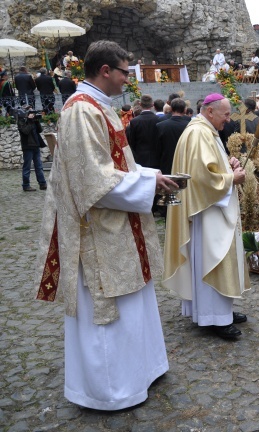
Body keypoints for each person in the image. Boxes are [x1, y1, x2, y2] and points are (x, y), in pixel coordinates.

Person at [33, 39, 177, 410]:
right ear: (105, 71)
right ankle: (112, 390)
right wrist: (147, 184)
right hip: (98, 232)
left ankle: (142, 369)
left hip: (119, 223)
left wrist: (151, 174)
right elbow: (92, 181)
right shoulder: (81, 111)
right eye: (125, 72)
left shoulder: (101, 107)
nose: (129, 80)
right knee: (109, 311)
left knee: (135, 303)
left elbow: (119, 166)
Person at [163, 93, 250, 339]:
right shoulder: (200, 133)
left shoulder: (204, 130)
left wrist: (228, 164)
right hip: (208, 210)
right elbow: (203, 177)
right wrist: (233, 178)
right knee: (215, 259)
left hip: (211, 207)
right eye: (225, 114)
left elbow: (210, 167)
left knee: (220, 259)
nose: (228, 119)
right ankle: (215, 318)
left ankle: (222, 312)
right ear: (210, 111)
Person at [15, 105, 47, 191]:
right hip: (28, 146)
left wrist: (36, 121)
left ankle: (42, 183)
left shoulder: (31, 121)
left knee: (39, 166)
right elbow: (25, 131)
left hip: (36, 146)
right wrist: (29, 121)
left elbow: (40, 130)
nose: (31, 114)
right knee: (27, 167)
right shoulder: (21, 122)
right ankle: (26, 185)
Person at [126, 94, 163, 169]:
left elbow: (132, 141)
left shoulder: (134, 121)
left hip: (140, 157)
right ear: (152, 105)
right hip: (157, 157)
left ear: (140, 104)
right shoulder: (159, 120)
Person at [157, 98, 191, 175]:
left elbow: (157, 148)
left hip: (166, 163)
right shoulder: (190, 125)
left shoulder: (160, 126)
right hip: (185, 162)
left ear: (171, 109)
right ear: (185, 110)